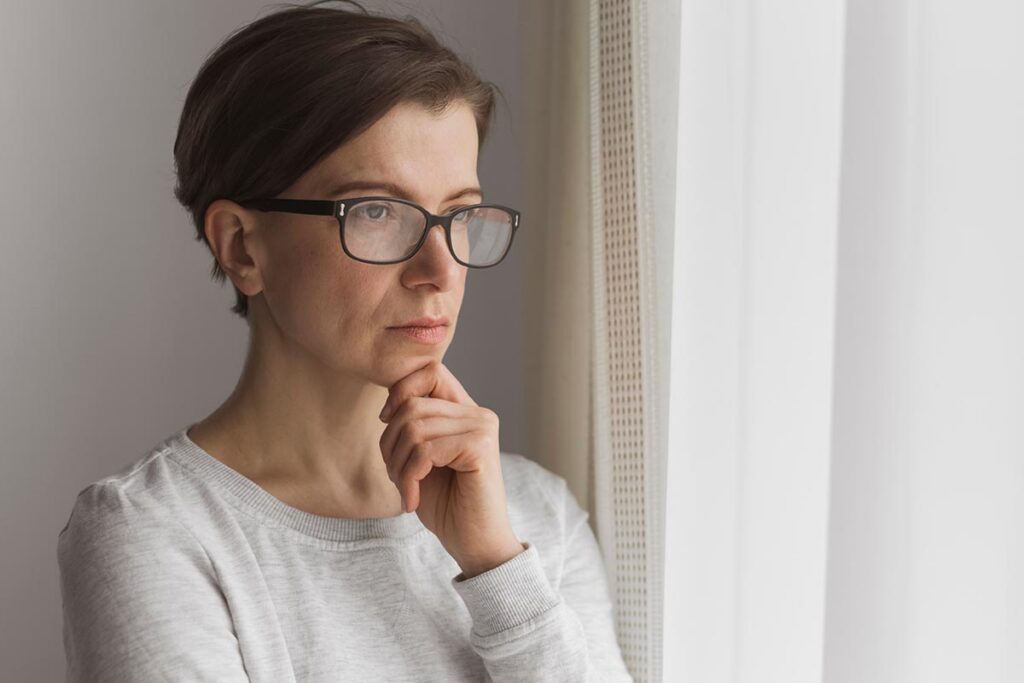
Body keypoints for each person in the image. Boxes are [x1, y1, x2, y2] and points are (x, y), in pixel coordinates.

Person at [57, 1, 632, 680]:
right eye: (378, 212)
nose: (440, 270)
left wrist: (498, 568)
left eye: (458, 214)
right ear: (242, 247)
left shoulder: (534, 516)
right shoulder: (154, 532)